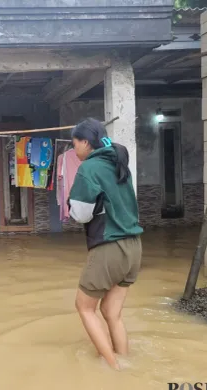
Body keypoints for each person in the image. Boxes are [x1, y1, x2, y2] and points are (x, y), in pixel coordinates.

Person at [68, 118, 143, 370]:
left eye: (74, 144)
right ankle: (124, 360)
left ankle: (113, 370)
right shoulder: (119, 162)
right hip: (134, 247)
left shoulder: (89, 168)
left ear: (85, 143)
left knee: (84, 307)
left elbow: (80, 214)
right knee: (112, 312)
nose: (73, 149)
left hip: (110, 246)